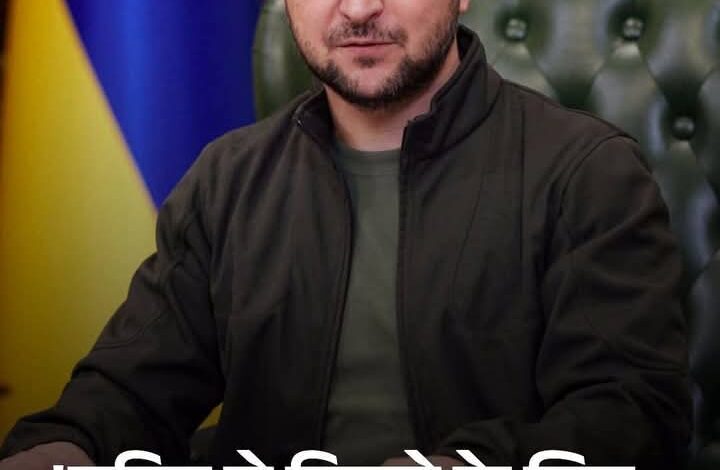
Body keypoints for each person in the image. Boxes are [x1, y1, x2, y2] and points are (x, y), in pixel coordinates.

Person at [0, 0, 691, 468]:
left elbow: (633, 420)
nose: (358, 9)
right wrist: (66, 445)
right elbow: (128, 392)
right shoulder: (228, 179)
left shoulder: (588, 173)